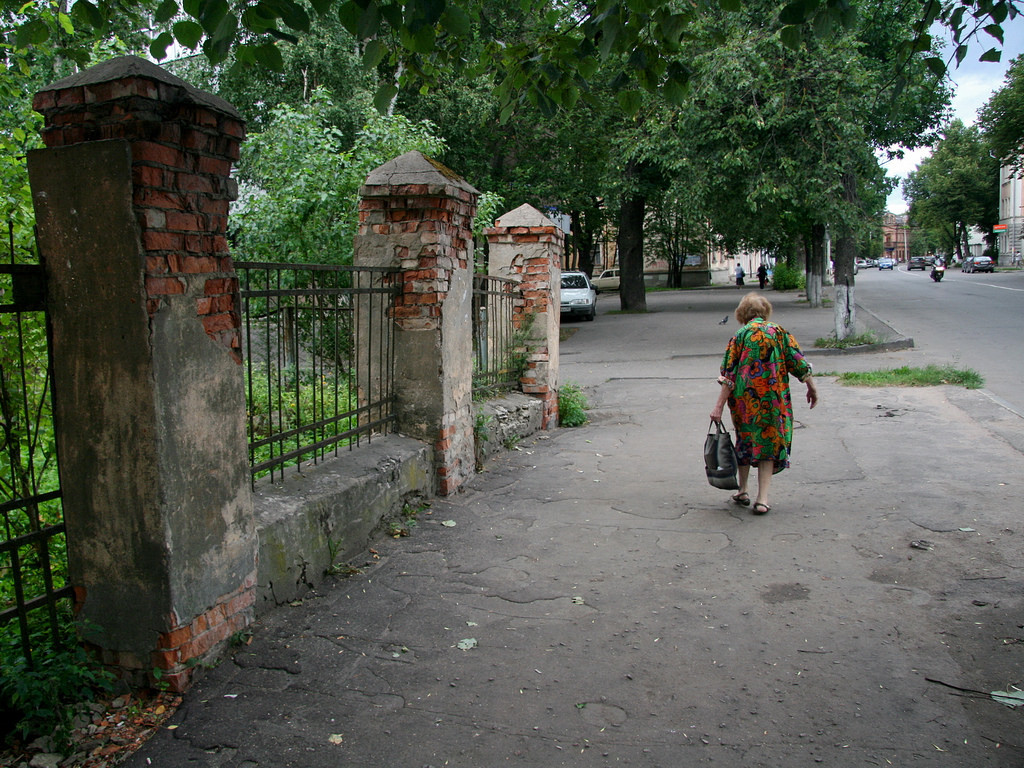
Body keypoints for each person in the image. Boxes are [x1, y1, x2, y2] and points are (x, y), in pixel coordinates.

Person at [709, 293, 818, 515]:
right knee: (768, 444)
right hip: (774, 401)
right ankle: (763, 499)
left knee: (745, 441)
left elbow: (728, 376)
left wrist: (718, 406)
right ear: (765, 311)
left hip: (745, 403)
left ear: (741, 314)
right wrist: (811, 386)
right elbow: (798, 361)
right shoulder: (779, 333)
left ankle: (743, 490)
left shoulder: (739, 336)